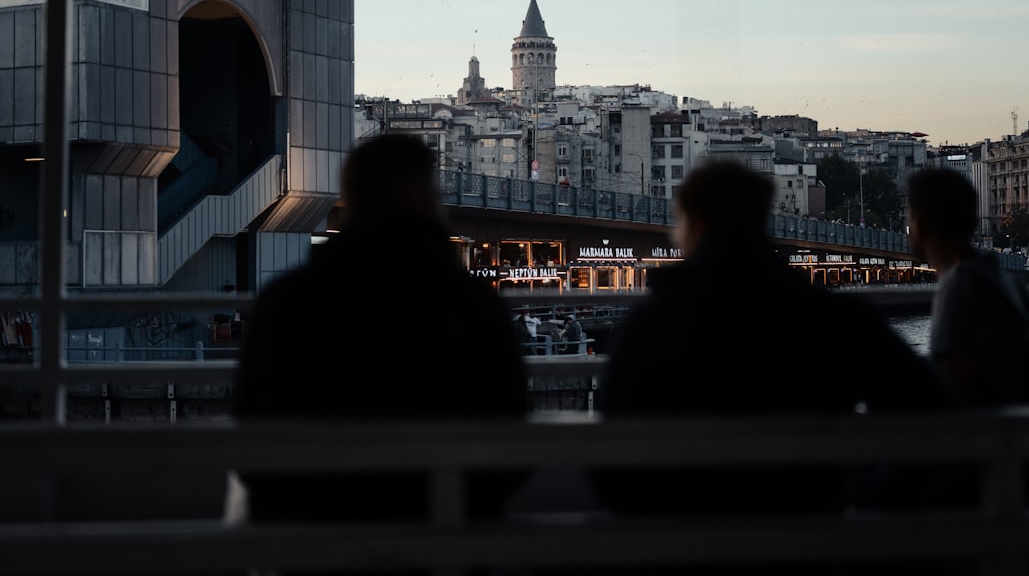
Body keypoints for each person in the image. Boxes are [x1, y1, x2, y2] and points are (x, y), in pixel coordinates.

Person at [591, 159, 954, 571]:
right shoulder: (835, 320)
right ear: (762, 219)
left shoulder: (649, 326)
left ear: (694, 224)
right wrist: (867, 490)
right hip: (811, 533)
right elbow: (929, 410)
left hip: (687, 542)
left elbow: (610, 461)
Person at [231, 134, 528, 543]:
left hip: (314, 529)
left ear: (353, 196)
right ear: (426, 198)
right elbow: (511, 430)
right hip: (444, 522)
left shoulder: (288, 300)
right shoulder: (470, 303)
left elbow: (252, 426)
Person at [907, 167, 1029, 406]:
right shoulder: (1004, 279)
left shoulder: (959, 289)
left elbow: (956, 393)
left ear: (920, 224)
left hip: (995, 424)